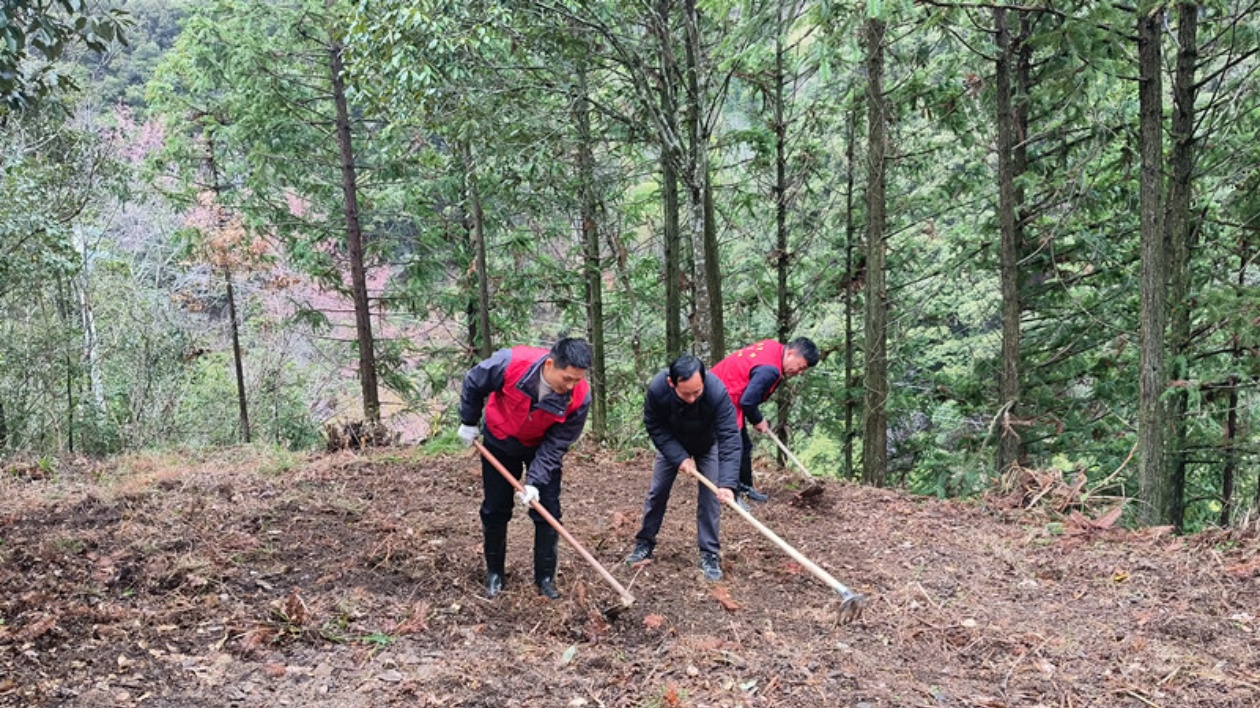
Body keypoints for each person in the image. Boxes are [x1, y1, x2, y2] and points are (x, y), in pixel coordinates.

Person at [457, 337, 592, 600]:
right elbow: (474, 380)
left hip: (541, 447)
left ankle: (545, 580)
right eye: (567, 378)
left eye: (577, 380)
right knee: (495, 509)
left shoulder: (580, 397)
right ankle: (495, 574)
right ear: (550, 364)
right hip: (499, 439)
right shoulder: (511, 363)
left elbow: (557, 443)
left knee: (548, 511)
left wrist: (535, 481)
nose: (570, 386)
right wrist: (469, 421)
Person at [625, 355, 741, 581]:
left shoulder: (716, 392)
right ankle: (645, 542)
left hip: (706, 444)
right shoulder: (658, 389)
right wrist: (679, 457)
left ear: (704, 381)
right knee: (657, 491)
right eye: (685, 394)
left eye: (696, 393)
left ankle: (709, 553)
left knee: (710, 498)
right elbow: (655, 426)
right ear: (672, 383)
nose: (691, 399)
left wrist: (727, 483)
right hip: (672, 443)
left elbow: (729, 436)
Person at [710, 337, 820, 506]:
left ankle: (745, 487)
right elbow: (748, 401)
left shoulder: (774, 347)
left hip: (726, 393)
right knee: (733, 447)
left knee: (745, 446)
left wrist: (756, 418)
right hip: (720, 396)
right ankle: (732, 493)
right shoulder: (770, 370)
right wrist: (758, 420)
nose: (799, 372)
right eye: (801, 367)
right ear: (791, 353)